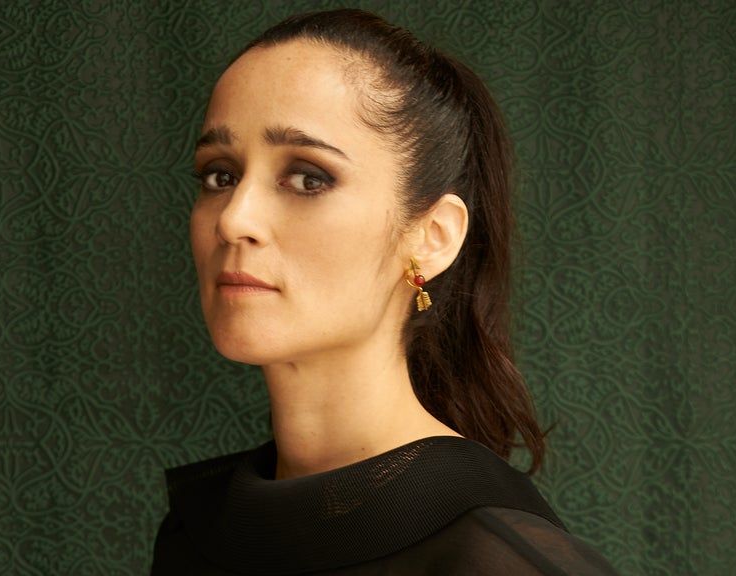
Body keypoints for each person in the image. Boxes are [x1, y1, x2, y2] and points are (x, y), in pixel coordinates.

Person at [151, 9, 618, 575]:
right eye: (220, 175)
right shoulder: (198, 534)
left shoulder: (498, 560)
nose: (233, 219)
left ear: (432, 237)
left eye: (308, 178)